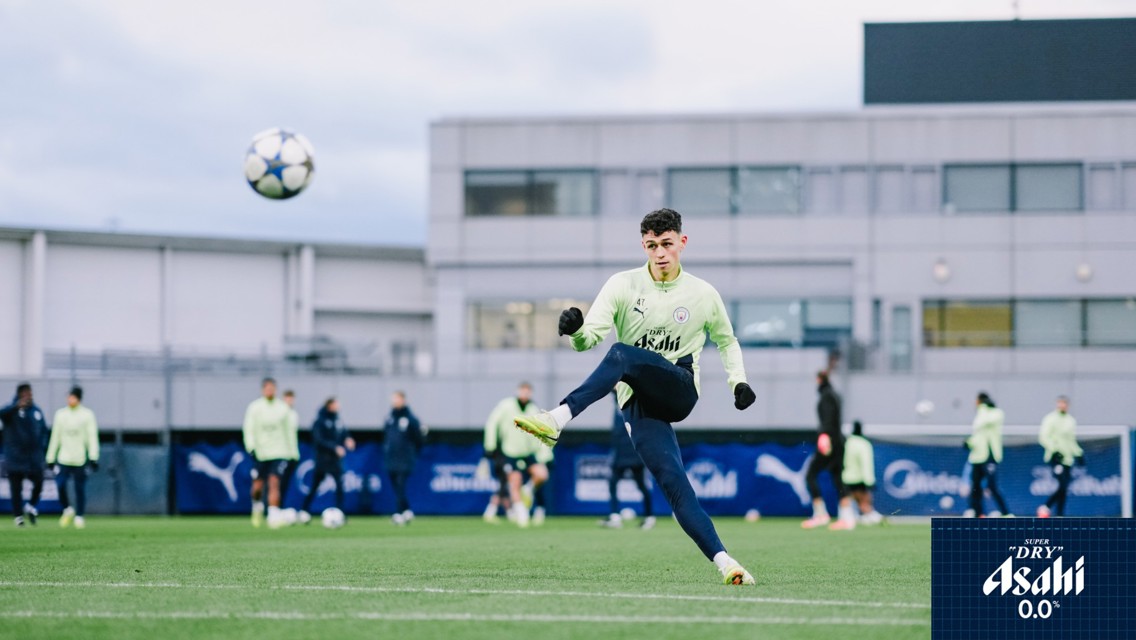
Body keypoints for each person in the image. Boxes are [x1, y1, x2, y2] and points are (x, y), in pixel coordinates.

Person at [512, 208, 757, 585]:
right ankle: (728, 563)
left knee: (622, 354)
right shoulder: (622, 285)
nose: (660, 253)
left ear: (682, 243)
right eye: (651, 245)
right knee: (674, 483)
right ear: (643, 245)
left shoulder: (703, 294)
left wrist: (736, 382)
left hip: (678, 389)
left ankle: (558, 418)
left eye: (667, 244)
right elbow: (589, 338)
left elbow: (728, 341)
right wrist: (576, 330)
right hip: (636, 404)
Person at [485, 382, 549, 528]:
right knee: (514, 481)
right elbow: (492, 423)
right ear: (518, 391)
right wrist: (490, 445)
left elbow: (541, 432)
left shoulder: (533, 409)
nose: (525, 394)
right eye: (522, 391)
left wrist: (545, 455)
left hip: (528, 452)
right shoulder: (506, 405)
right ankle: (521, 512)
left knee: (542, 474)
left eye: (528, 391)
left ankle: (528, 490)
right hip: (510, 452)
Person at [802, 371, 855, 530]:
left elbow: (828, 418)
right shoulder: (835, 395)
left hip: (829, 441)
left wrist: (824, 436)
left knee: (810, 475)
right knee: (837, 477)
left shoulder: (826, 396)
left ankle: (820, 514)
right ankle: (847, 518)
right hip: (839, 440)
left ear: (819, 380)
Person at [242, 377, 294, 529]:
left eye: (273, 388)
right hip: (261, 452)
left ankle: (273, 515)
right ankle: (257, 507)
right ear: (263, 390)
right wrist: (250, 447)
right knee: (258, 486)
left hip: (279, 452)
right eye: (267, 388)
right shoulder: (255, 407)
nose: (270, 391)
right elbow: (248, 428)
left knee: (274, 482)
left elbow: (289, 432)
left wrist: (292, 452)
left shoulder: (283, 407)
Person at [600, 391, 655, 530]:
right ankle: (615, 516)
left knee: (641, 484)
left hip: (633, 451)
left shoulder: (633, 402)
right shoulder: (618, 403)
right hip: (621, 452)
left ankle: (648, 517)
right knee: (614, 482)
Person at [45, 386, 99, 529]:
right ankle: (68, 509)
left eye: (72, 397)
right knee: (60, 485)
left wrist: (93, 457)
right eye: (68, 396)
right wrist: (50, 457)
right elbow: (55, 437)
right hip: (64, 458)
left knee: (79, 489)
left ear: (78, 398)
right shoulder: (61, 415)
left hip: (80, 459)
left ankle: (79, 516)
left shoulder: (87, 415)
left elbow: (92, 437)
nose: (70, 399)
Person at [299, 397, 354, 523]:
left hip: (336, 461)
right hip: (323, 459)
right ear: (329, 405)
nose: (338, 406)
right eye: (336, 404)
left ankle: (340, 512)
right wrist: (334, 447)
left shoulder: (338, 420)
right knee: (314, 485)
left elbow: (344, 433)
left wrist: (348, 439)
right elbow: (318, 440)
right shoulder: (320, 421)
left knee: (340, 486)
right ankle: (304, 510)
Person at [1, 383, 49, 526]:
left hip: (33, 458)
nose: (30, 396)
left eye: (30, 393)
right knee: (16, 488)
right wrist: (16, 406)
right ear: (20, 394)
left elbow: (43, 431)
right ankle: (18, 517)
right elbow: (2, 413)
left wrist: (43, 447)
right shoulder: (11, 410)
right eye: (27, 393)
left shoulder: (36, 410)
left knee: (39, 482)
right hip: (15, 457)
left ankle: (31, 505)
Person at [1037, 395, 1084, 518]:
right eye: (1060, 403)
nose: (1062, 405)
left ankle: (1060, 514)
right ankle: (1045, 506)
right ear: (1057, 404)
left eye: (1064, 403)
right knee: (1062, 484)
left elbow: (1071, 440)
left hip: (1067, 459)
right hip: (1055, 458)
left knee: (1065, 487)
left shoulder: (1070, 421)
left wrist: (1079, 453)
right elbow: (1044, 437)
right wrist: (1054, 450)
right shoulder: (1050, 419)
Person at [965, 391, 1010, 517]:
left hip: (989, 456)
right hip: (976, 456)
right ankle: (979, 513)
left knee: (992, 486)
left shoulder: (994, 413)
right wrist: (969, 443)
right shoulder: (980, 415)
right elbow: (978, 435)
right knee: (975, 487)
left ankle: (1006, 513)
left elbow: (985, 422)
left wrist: (984, 407)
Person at [383, 390, 424, 525]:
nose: (395, 402)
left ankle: (399, 513)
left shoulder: (410, 419)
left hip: (405, 458)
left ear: (403, 400)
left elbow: (418, 438)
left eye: (397, 399)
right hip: (391, 458)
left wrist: (412, 452)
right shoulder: (390, 418)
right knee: (396, 486)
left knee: (400, 485)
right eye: (393, 399)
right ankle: (407, 510)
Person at [842, 420, 883, 525]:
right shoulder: (864, 444)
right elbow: (866, 463)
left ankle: (848, 519)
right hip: (859, 479)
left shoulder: (848, 442)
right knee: (864, 501)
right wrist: (869, 480)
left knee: (847, 500)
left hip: (846, 477)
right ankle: (870, 516)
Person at [279, 389, 301, 513]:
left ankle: (279, 507)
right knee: (276, 483)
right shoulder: (278, 413)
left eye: (291, 398)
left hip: (292, 454)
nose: (290, 401)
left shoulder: (293, 414)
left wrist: (295, 453)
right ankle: (272, 509)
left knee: (285, 484)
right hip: (280, 454)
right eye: (287, 398)